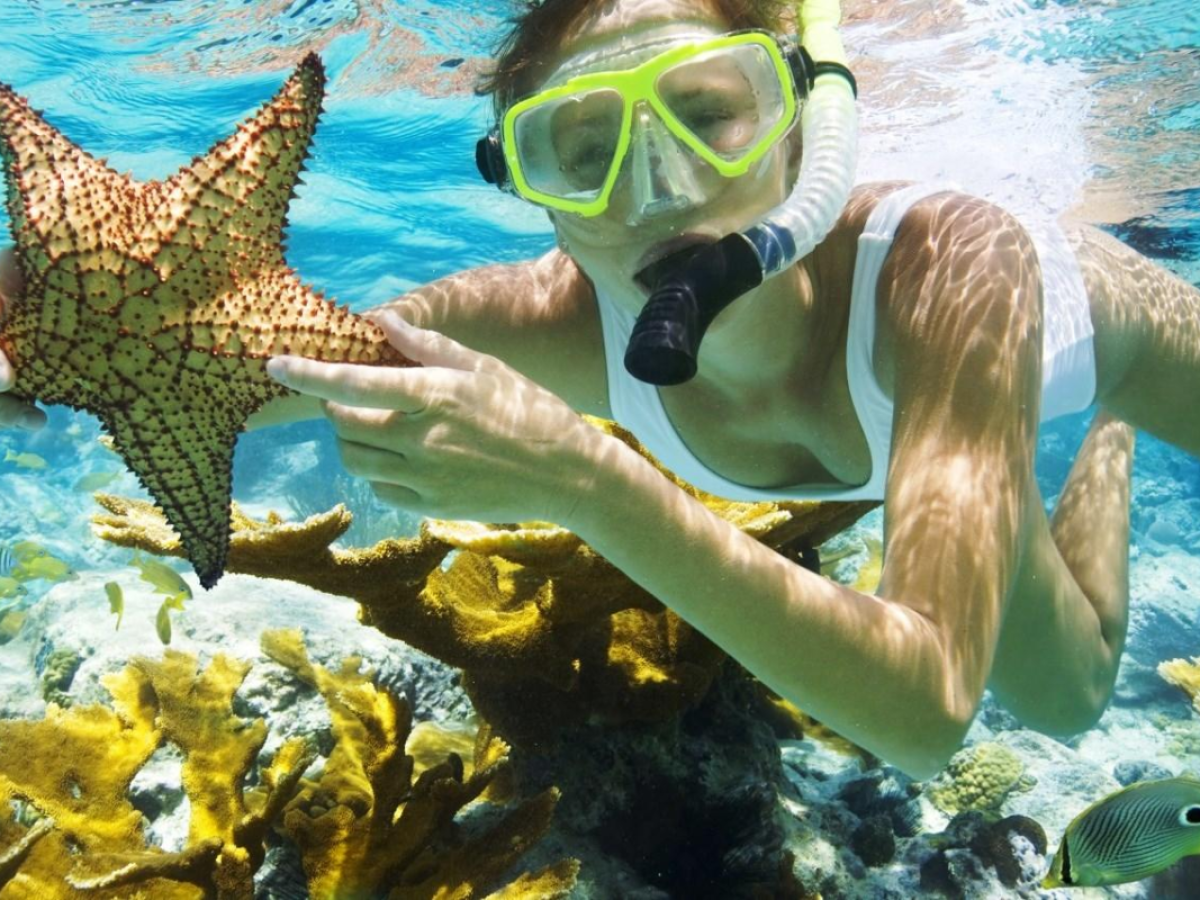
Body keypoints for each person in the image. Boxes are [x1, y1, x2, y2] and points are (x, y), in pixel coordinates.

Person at [2, 0, 1199, 779]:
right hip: (937, 442)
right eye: (583, 148)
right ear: (529, 188)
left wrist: (583, 478)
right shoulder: (546, 322)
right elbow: (249, 366)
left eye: (709, 113)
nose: (660, 189)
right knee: (1070, 701)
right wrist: (31, 339)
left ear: (796, 129)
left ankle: (1116, 412)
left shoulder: (953, 263)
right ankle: (1104, 453)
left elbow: (925, 710)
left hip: (1093, 335)